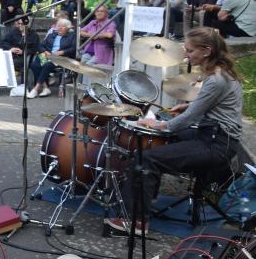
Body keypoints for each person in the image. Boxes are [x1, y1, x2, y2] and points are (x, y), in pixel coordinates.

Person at [105, 27, 246, 235]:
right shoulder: (218, 73)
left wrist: (160, 125)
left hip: (217, 144)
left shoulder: (216, 79)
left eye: (190, 51)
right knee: (161, 141)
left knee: (147, 159)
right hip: (215, 136)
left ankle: (136, 222)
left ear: (206, 51)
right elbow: (209, 107)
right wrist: (187, 106)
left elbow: (189, 120)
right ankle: (147, 196)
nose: (186, 54)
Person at [27, 18, 76, 98]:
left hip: (61, 58)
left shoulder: (71, 36)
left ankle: (35, 89)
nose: (60, 28)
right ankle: (46, 88)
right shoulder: (51, 35)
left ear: (68, 28)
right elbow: (40, 46)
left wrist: (62, 52)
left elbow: (73, 48)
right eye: (58, 26)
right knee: (34, 65)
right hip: (47, 55)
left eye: (62, 26)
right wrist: (45, 51)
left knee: (47, 65)